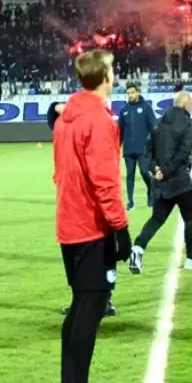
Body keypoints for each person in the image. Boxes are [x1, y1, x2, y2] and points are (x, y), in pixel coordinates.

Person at [52, 50, 131, 383]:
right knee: (93, 304)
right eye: (112, 69)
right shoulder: (98, 119)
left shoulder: (66, 117)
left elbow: (60, 174)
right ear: (106, 76)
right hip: (90, 225)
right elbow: (105, 181)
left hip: (69, 223)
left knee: (81, 303)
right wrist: (121, 228)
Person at [48, 99, 118, 319]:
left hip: (90, 206)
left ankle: (103, 301)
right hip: (73, 206)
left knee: (97, 259)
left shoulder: (94, 126)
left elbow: (104, 176)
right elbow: (53, 114)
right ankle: (87, 302)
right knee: (82, 263)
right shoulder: (66, 127)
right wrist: (56, 106)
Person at [128, 91, 192, 274]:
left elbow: (147, 151)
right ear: (185, 105)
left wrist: (155, 169)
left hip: (160, 184)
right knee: (190, 218)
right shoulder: (186, 125)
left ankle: (138, 248)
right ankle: (191, 257)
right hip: (180, 182)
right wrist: (165, 170)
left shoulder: (159, 125)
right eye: (191, 105)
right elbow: (183, 153)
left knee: (157, 218)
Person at [118, 83, 156, 211]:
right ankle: (130, 202)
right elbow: (120, 132)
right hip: (128, 149)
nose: (130, 95)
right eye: (128, 93)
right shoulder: (124, 111)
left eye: (132, 92)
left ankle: (151, 192)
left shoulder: (146, 107)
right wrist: (116, 147)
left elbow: (153, 127)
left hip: (143, 149)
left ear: (138, 92)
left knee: (145, 172)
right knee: (130, 174)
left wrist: (153, 145)